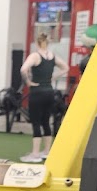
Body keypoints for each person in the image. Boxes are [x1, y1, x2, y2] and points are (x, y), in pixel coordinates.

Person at [19, 33, 68, 163]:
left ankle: (35, 154)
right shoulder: (52, 56)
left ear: (37, 43)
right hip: (49, 92)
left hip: (37, 92)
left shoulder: (35, 56)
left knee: (36, 122)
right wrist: (53, 77)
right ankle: (47, 151)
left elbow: (23, 69)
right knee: (46, 121)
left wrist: (28, 82)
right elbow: (66, 68)